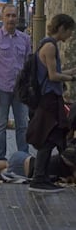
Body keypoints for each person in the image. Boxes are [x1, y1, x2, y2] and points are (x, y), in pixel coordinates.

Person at [26, 14, 76, 193]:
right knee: (49, 138)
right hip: (49, 99)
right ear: (61, 28)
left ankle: (42, 176)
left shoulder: (48, 44)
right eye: (69, 30)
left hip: (51, 97)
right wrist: (71, 77)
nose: (70, 35)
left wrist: (69, 71)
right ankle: (39, 177)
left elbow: (53, 72)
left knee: (53, 136)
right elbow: (53, 76)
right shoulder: (50, 46)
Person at [0, 4, 31, 161]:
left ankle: (23, 157)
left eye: (13, 15)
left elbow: (28, 65)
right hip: (2, 89)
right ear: (2, 18)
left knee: (22, 125)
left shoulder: (25, 39)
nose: (11, 18)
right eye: (8, 15)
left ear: (17, 18)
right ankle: (0, 158)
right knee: (1, 124)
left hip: (19, 90)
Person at [0, 144, 76, 186]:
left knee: (5, 164)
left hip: (26, 159)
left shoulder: (66, 156)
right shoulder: (71, 167)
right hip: (26, 172)